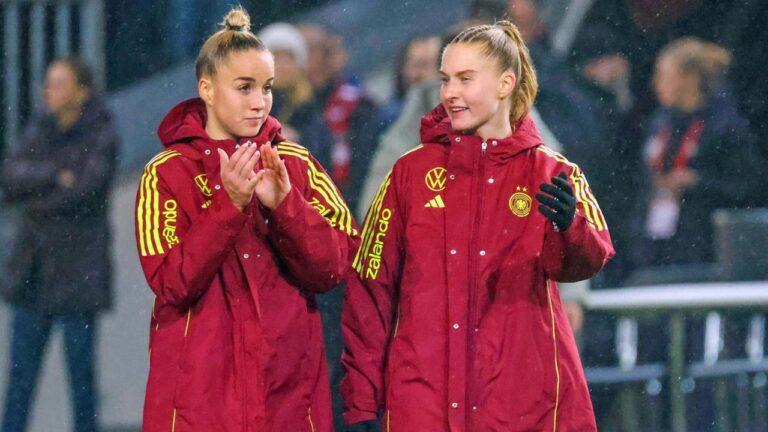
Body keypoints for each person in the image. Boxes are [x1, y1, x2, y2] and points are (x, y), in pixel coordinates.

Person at [341, 21, 615, 432]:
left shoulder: (553, 171)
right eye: (445, 79)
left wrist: (569, 228)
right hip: (424, 395)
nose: (450, 92)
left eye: (466, 80)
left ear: (506, 83)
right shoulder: (408, 174)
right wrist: (362, 395)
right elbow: (370, 284)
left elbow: (590, 258)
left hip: (522, 394)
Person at [135, 7, 357, 431]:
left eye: (267, 88)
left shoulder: (295, 163)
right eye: (244, 87)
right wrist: (227, 208)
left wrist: (287, 209)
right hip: (199, 400)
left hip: (287, 393)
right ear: (207, 88)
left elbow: (335, 267)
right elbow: (171, 283)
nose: (260, 102)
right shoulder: (166, 173)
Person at [1, 56, 118, 432]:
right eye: (47, 82)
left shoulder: (100, 132)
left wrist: (35, 196)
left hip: (78, 276)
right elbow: (11, 177)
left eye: (59, 82)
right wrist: (54, 175)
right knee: (20, 383)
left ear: (81, 92)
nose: (48, 90)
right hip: (33, 276)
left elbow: (85, 190)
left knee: (81, 381)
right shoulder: (41, 128)